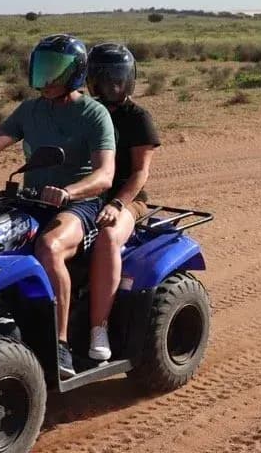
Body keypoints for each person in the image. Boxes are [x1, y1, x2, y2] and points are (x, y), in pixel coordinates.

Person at [0, 34, 115, 378]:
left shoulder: (93, 113)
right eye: (41, 68)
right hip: (33, 200)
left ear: (74, 72)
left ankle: (60, 346)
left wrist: (69, 192)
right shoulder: (30, 110)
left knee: (49, 246)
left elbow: (104, 175)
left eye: (53, 70)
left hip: (80, 204)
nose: (45, 78)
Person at [83, 43, 162, 362]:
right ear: (92, 82)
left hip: (129, 200)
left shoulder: (138, 117)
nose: (113, 86)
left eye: (119, 78)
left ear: (129, 80)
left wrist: (117, 204)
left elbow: (140, 173)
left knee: (107, 237)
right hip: (87, 196)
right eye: (105, 79)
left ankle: (98, 328)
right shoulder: (86, 114)